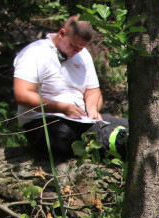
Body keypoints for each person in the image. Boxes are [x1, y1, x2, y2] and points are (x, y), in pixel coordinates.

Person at [14, 16, 128, 160]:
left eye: (81, 47)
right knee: (64, 135)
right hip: (44, 123)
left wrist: (92, 109)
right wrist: (63, 108)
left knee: (132, 128)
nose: (77, 51)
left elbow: (93, 91)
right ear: (62, 34)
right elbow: (22, 95)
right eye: (74, 45)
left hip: (81, 120)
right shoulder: (35, 52)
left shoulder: (83, 55)